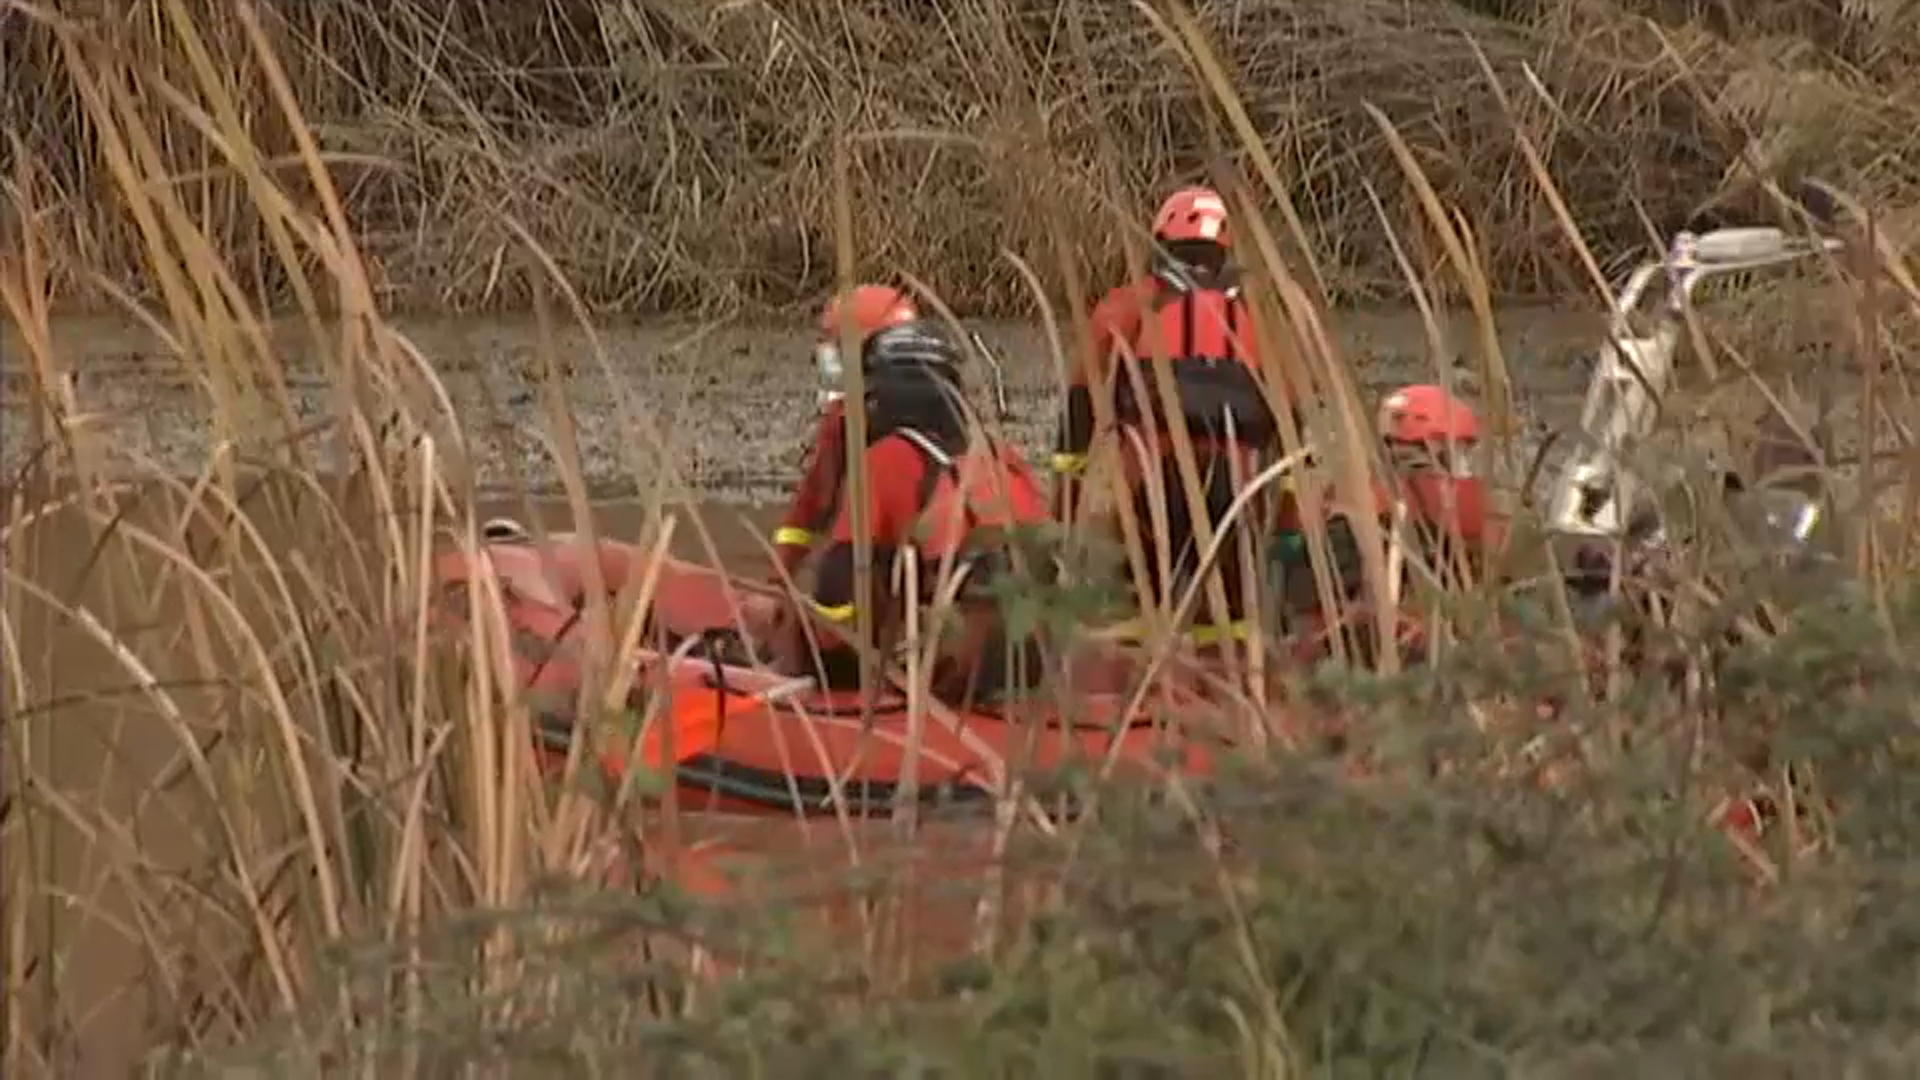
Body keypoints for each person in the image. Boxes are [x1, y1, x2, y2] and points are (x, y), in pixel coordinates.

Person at [1049, 185, 1293, 644]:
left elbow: (1081, 403)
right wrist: (1288, 525)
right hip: (1238, 491)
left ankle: (1140, 661)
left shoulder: (1129, 305)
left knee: (1138, 596)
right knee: (1229, 613)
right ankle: (1230, 665)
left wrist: (1062, 506)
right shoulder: (1260, 314)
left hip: (1152, 488)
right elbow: (1292, 412)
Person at [778, 320, 1055, 706]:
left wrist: (802, 651)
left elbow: (837, 589)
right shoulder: (1000, 457)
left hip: (962, 666)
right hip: (1035, 657)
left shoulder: (884, 461)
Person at [1270, 383, 1491, 647]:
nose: (1464, 467)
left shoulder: (1350, 498)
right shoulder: (1428, 507)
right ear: (1437, 447)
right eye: (1461, 450)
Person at [771, 284, 921, 577]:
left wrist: (778, 578)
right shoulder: (961, 418)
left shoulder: (847, 419)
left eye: (838, 348)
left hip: (871, 576)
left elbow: (813, 506)